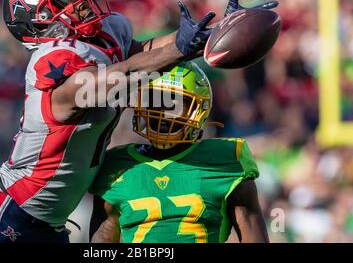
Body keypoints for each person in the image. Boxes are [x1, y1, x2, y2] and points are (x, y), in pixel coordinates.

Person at [0, 0, 276, 243]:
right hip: (6, 211)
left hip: (49, 226)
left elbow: (143, 53)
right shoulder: (51, 62)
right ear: (41, 19)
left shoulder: (101, 38)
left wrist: (213, 33)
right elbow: (109, 82)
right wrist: (180, 50)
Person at [89, 61, 269, 243]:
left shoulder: (226, 161)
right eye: (154, 101)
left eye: (173, 104)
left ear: (198, 110)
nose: (162, 112)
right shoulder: (115, 164)